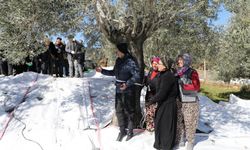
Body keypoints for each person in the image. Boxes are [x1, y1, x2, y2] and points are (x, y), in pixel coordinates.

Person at [96, 43, 140, 141]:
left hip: (128, 90)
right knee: (119, 110)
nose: (116, 52)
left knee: (129, 111)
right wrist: (102, 71)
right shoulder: (118, 60)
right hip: (118, 90)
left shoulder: (131, 61)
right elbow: (114, 72)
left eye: (118, 51)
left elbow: (137, 76)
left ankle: (130, 131)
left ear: (123, 51)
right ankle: (122, 130)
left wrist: (127, 84)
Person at [146, 56, 178, 150]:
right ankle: (159, 144)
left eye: (159, 63)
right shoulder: (162, 74)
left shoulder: (168, 76)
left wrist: (151, 101)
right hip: (163, 104)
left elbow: (162, 93)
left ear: (165, 65)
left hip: (168, 105)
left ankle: (165, 146)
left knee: (166, 126)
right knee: (160, 123)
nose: (157, 65)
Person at [175, 53, 200, 150]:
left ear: (187, 61)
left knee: (190, 122)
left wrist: (184, 84)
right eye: (179, 60)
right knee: (180, 121)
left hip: (190, 101)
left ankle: (190, 141)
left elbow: (196, 86)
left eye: (182, 60)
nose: (179, 61)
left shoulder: (192, 72)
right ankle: (181, 137)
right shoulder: (177, 72)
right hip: (180, 100)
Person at [144, 56, 161, 132]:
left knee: (156, 114)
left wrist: (152, 85)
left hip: (156, 97)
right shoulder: (151, 71)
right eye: (153, 63)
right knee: (149, 114)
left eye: (156, 63)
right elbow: (147, 81)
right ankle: (149, 129)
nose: (154, 65)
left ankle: (156, 129)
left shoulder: (161, 73)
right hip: (148, 96)